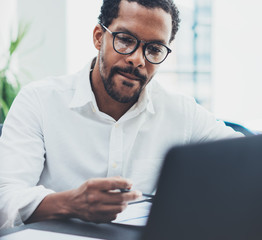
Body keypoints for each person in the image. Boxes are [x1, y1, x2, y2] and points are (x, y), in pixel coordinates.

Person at [0, 0, 241, 229]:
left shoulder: (180, 111)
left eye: (154, 49)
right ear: (98, 37)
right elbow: (5, 198)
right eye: (125, 40)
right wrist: (71, 204)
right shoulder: (39, 101)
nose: (137, 60)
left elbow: (245, 158)